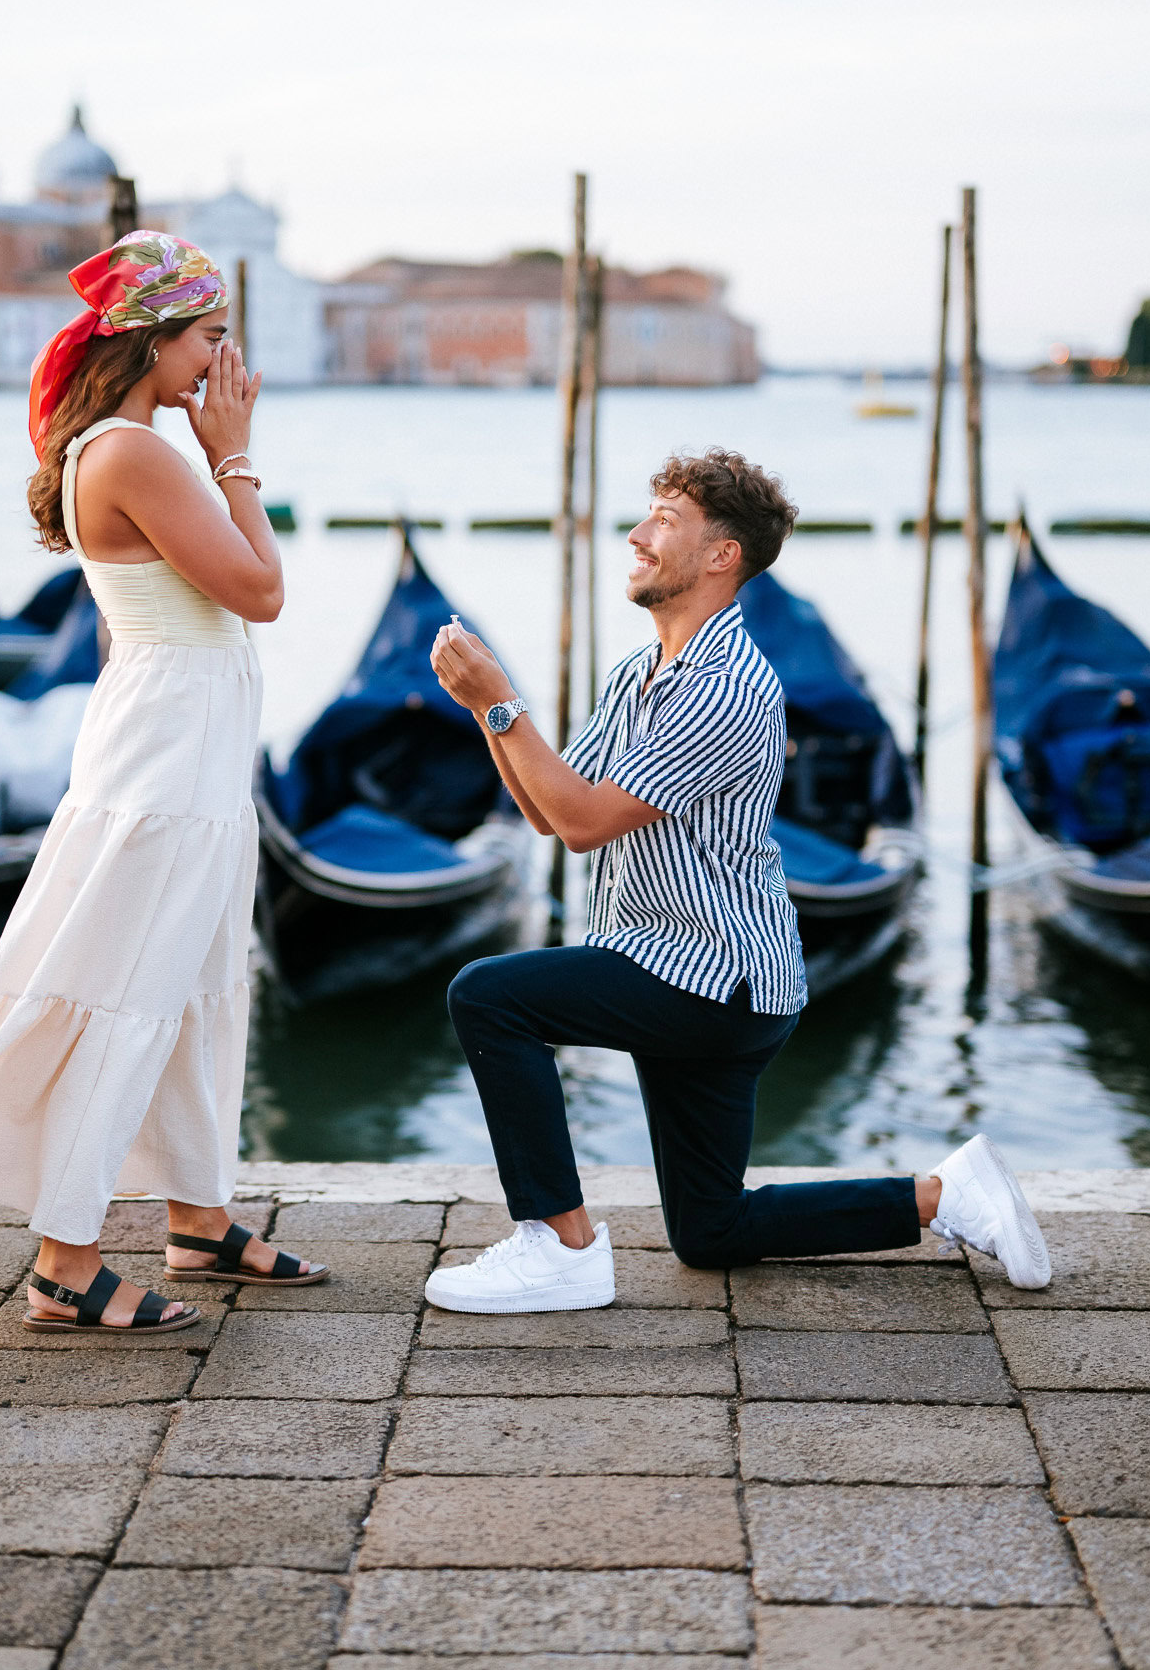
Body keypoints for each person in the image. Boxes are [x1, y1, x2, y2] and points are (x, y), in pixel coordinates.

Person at [424, 447, 1051, 1313]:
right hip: (679, 965)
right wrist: (484, 710)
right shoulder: (638, 673)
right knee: (710, 1232)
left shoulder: (727, 689)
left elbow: (580, 822)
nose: (638, 536)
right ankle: (946, 1196)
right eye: (645, 516)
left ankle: (560, 1248)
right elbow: (547, 811)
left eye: (665, 522)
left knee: (489, 998)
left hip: (711, 976)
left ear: (723, 556)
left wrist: (501, 703)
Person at [0, 231, 326, 1333]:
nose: (225, 361)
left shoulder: (121, 447)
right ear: (154, 341)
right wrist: (236, 455)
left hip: (182, 737)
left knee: (198, 977)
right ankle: (67, 1264)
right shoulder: (135, 452)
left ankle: (199, 1217)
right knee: (126, 977)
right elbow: (260, 591)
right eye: (211, 337)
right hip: (168, 751)